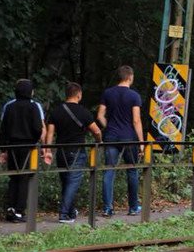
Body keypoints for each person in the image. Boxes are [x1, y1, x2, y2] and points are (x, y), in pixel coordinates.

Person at [45, 82, 102, 223]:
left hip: (61, 152)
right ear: (79, 95)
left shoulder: (56, 111)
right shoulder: (84, 112)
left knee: (65, 182)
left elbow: (50, 133)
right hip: (77, 152)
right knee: (73, 183)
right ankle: (64, 214)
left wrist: (48, 150)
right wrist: (98, 141)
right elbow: (96, 130)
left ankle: (70, 211)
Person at [97, 65, 144, 217]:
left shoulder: (107, 93)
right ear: (130, 77)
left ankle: (107, 208)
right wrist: (141, 143)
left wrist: (108, 126)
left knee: (109, 170)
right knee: (132, 170)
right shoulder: (134, 96)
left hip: (111, 136)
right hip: (129, 138)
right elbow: (136, 121)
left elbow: (100, 116)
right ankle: (133, 207)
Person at [0, 79, 45, 223]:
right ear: (30, 91)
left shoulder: (9, 106)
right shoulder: (33, 107)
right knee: (24, 178)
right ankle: (19, 210)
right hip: (27, 146)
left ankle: (10, 208)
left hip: (12, 146)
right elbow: (38, 128)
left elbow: (4, 128)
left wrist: (3, 148)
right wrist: (35, 141)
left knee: (13, 177)